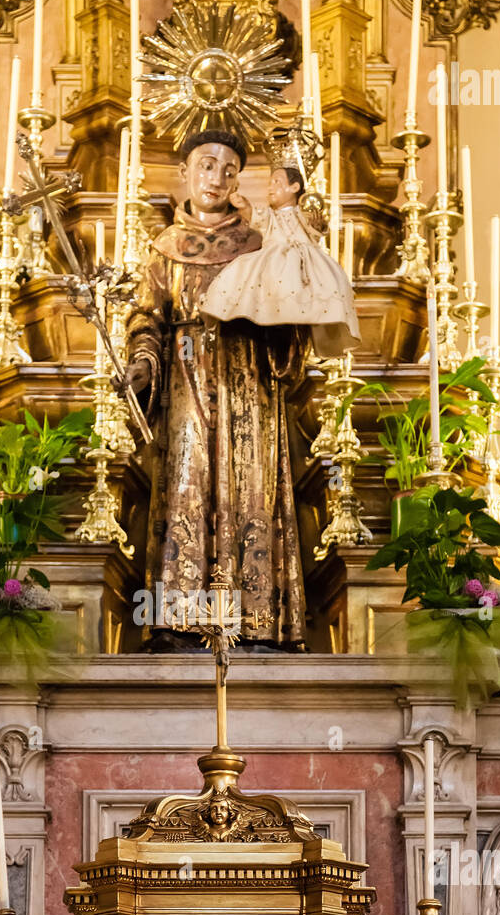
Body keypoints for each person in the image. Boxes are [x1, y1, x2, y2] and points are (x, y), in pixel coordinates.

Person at [123, 130, 307, 649]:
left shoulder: (259, 246)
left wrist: (286, 324)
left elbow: (286, 313)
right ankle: (181, 621)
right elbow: (145, 317)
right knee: (186, 482)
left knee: (249, 486)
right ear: (184, 172)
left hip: (246, 383)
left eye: (229, 169)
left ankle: (253, 623)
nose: (217, 178)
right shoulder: (163, 250)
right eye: (206, 165)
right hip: (184, 383)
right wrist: (142, 362)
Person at [201, 164, 360, 359]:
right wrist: (240, 203)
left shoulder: (304, 213)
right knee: (252, 278)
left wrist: (317, 223)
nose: (270, 188)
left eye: (277, 182)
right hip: (273, 261)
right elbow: (251, 214)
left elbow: (316, 228)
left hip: (304, 264)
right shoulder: (269, 216)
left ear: (294, 187)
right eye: (270, 183)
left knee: (314, 291)